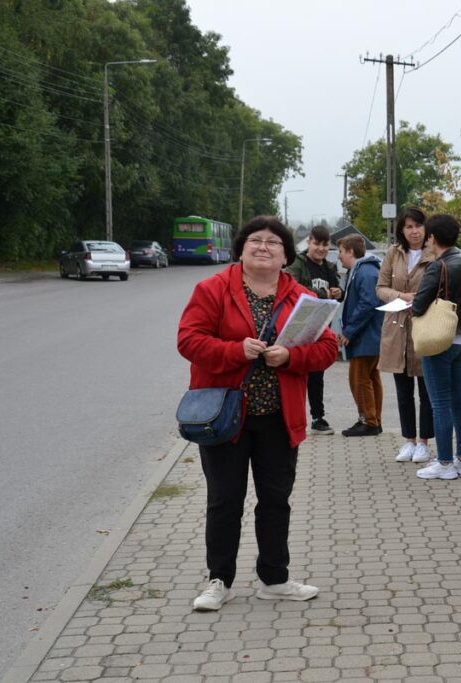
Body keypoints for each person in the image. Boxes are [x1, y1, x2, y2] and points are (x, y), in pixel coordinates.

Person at [177, 216, 338, 611]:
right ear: (241, 249)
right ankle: (219, 580)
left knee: (275, 500)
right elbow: (188, 339)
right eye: (255, 241)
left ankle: (275, 578)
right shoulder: (213, 289)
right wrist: (235, 350)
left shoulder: (303, 299)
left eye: (273, 243)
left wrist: (290, 356)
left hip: (278, 418)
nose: (263, 247)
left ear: (286, 256)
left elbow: (328, 349)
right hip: (225, 418)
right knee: (224, 500)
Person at [410, 214, 461, 480]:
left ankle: (445, 462)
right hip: (460, 338)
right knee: (459, 400)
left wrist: (414, 303)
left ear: (433, 238)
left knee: (439, 403)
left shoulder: (438, 267)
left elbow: (418, 305)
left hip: (438, 340)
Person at [377, 207, 435, 463]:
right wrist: (400, 296)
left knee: (426, 388)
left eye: (418, 226)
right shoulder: (393, 253)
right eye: (409, 226)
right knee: (403, 390)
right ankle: (409, 440)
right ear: (402, 229)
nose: (414, 231)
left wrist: (419, 298)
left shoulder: (434, 253)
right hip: (397, 325)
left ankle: (424, 442)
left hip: (424, 326)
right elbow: (380, 288)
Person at [284, 225, 342, 435]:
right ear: (309, 242)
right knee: (296, 373)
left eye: (325, 244)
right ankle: (291, 418)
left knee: (317, 375)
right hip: (298, 326)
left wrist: (338, 291)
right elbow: (292, 288)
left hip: (321, 328)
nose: (321, 248)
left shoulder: (329, 267)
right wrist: (323, 292)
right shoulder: (298, 264)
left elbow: (336, 292)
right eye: (317, 243)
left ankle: (318, 418)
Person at [337, 234, 384, 437]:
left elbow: (367, 304)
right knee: (371, 377)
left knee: (359, 379)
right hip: (371, 336)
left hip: (366, 337)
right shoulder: (364, 271)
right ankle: (373, 419)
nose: (339, 257)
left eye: (340, 252)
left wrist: (349, 331)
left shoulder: (364, 272)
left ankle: (369, 421)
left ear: (350, 251)